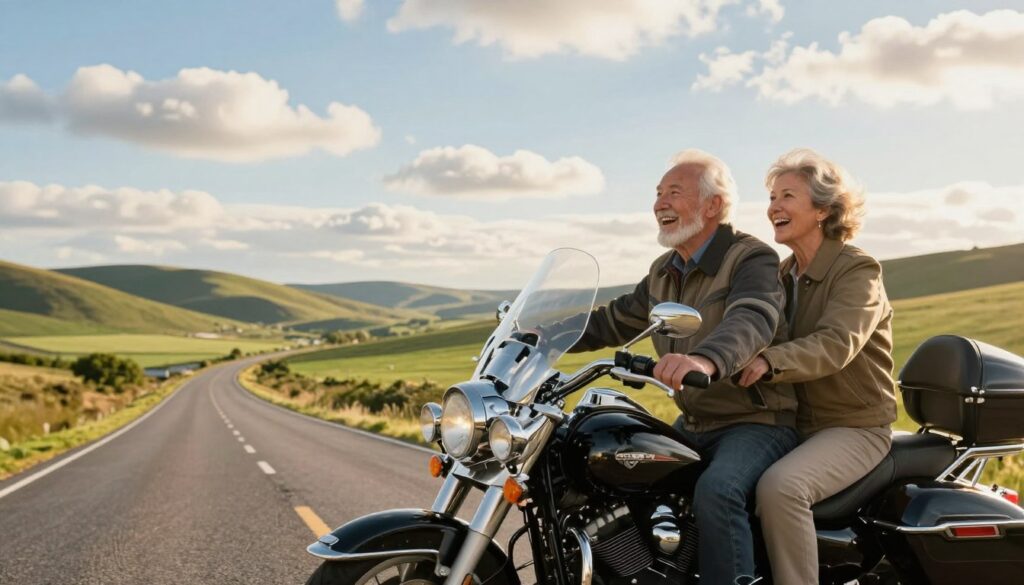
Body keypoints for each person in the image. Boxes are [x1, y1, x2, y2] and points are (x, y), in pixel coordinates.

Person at [571, 149, 799, 585]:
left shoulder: (751, 258)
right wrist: (539, 333)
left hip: (756, 420)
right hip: (695, 420)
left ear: (713, 205)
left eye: (674, 192)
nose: (660, 203)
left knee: (718, 491)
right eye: (657, 193)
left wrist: (705, 359)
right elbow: (612, 320)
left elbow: (752, 317)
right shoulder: (664, 270)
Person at [739, 148, 897, 585]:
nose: (774, 207)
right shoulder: (779, 275)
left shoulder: (857, 270)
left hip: (854, 426)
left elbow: (837, 342)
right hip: (791, 425)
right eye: (772, 197)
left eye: (787, 196)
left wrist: (771, 360)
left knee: (780, 488)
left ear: (824, 209)